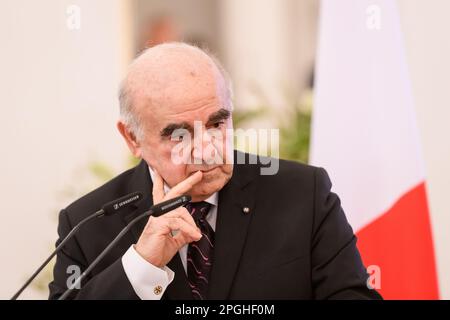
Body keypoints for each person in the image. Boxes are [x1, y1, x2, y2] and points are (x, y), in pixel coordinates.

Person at [49, 42, 381, 300]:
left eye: (217, 124)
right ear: (132, 138)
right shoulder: (87, 224)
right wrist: (141, 266)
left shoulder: (303, 194)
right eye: (178, 135)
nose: (206, 149)